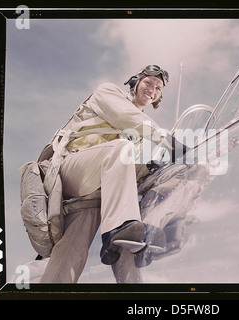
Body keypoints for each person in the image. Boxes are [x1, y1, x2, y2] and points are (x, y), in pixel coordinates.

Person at [40, 65, 174, 283]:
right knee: (120, 149)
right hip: (73, 169)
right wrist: (169, 141)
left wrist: (155, 168)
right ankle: (119, 229)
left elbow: (130, 168)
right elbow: (127, 118)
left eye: (158, 88)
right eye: (148, 82)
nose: (152, 89)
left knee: (68, 262)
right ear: (135, 82)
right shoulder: (108, 93)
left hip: (97, 195)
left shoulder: (140, 132)